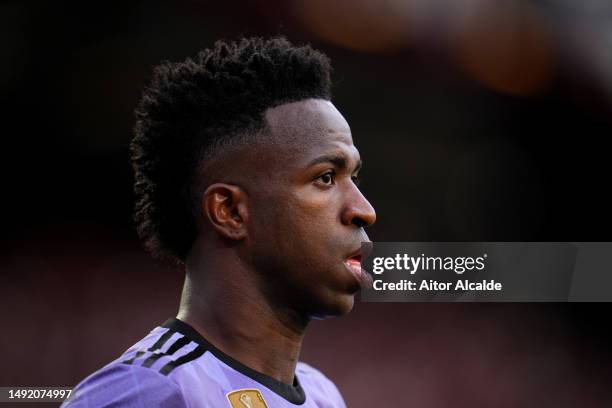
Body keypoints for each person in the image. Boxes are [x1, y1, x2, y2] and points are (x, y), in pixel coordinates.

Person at [63, 36, 376, 408]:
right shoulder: (148, 392)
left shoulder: (324, 395)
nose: (364, 210)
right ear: (229, 211)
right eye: (325, 177)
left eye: (353, 179)